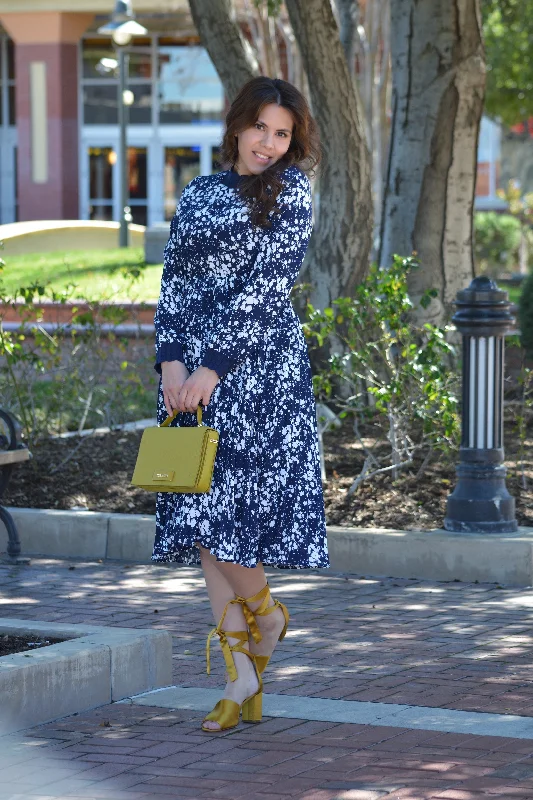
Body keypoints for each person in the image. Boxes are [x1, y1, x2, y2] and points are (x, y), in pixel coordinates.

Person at [152, 76, 330, 732]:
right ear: (237, 125)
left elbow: (267, 288)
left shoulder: (291, 192)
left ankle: (267, 615)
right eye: (261, 128)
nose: (270, 143)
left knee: (233, 520)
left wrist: (210, 369)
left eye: (283, 134)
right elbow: (174, 279)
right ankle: (241, 677)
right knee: (204, 520)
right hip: (188, 373)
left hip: (256, 373)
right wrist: (172, 360)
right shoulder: (198, 192)